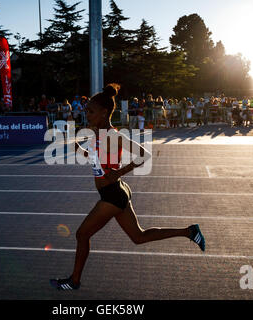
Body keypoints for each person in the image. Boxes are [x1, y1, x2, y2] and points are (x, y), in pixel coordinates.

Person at [49, 83, 206, 291]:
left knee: (82, 234)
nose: (87, 114)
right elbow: (96, 158)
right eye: (86, 110)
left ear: (104, 113)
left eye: (91, 111)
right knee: (138, 237)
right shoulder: (97, 133)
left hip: (112, 195)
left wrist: (119, 172)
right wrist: (77, 147)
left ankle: (74, 281)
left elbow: (144, 154)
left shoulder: (114, 136)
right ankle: (189, 231)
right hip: (117, 192)